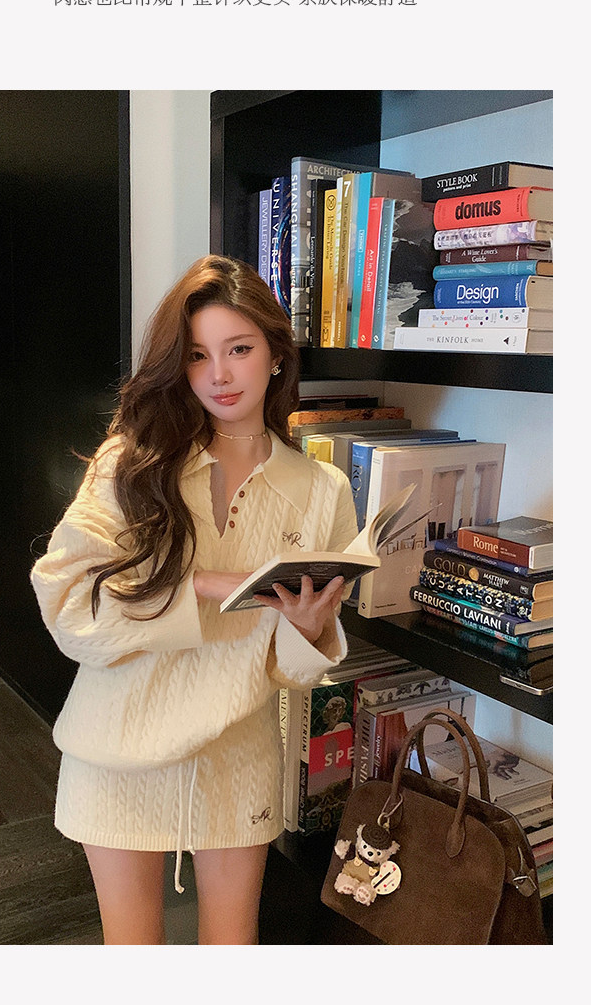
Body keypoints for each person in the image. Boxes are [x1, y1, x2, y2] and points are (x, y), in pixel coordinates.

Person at [31, 255, 358, 945]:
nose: (219, 375)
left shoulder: (322, 490)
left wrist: (306, 630)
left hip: (237, 753)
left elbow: (289, 670)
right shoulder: (132, 464)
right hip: (115, 745)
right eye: (198, 355)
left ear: (275, 354)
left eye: (239, 349)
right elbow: (69, 611)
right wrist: (204, 586)